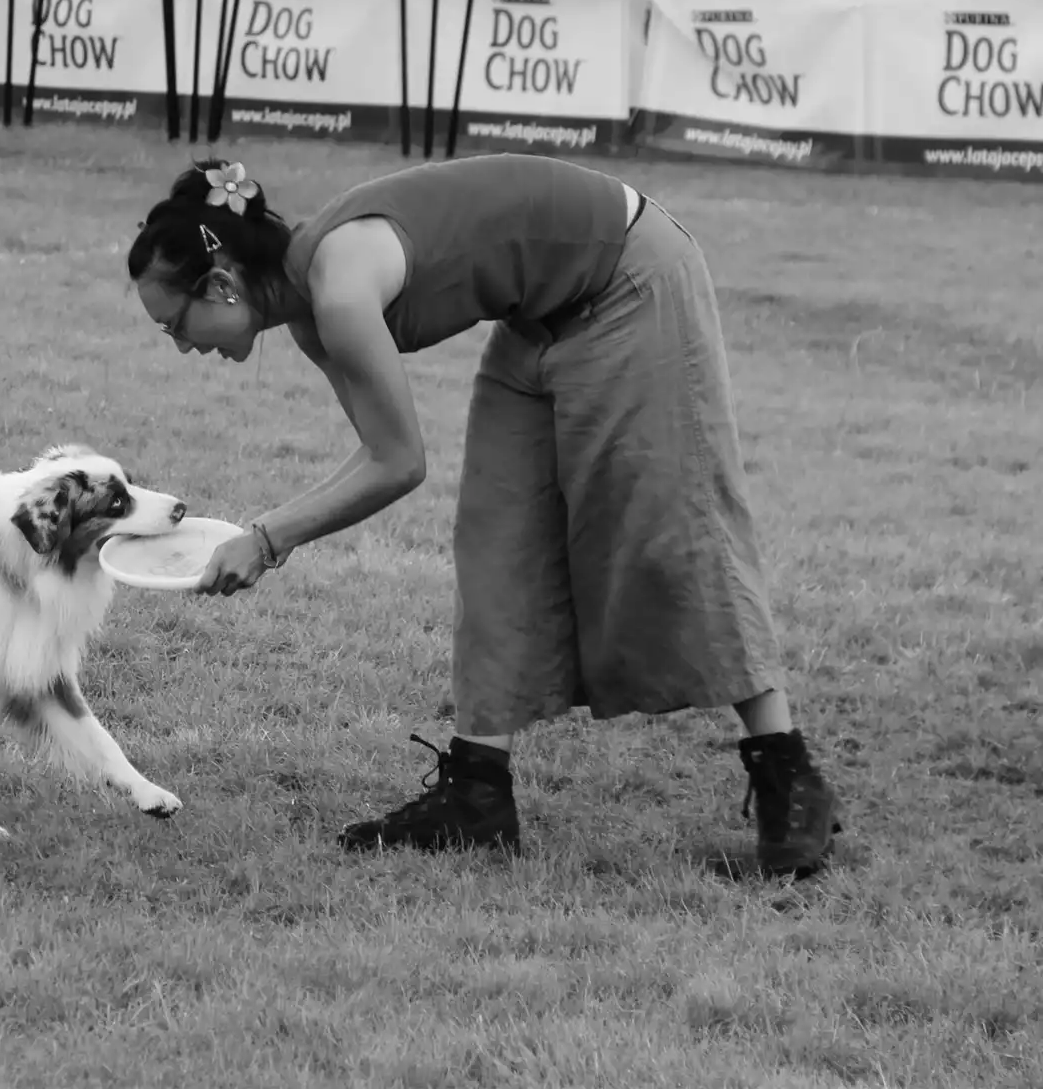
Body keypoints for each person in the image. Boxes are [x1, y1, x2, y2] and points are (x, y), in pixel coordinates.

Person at [125, 153, 842, 877]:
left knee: (668, 528)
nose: (185, 345)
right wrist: (264, 534)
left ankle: (788, 771)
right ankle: (478, 797)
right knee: (499, 537)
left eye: (175, 326)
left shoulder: (337, 290)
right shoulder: (310, 310)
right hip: (539, 314)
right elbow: (381, 450)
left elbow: (401, 464)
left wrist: (267, 539)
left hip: (631, 275)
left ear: (219, 285)